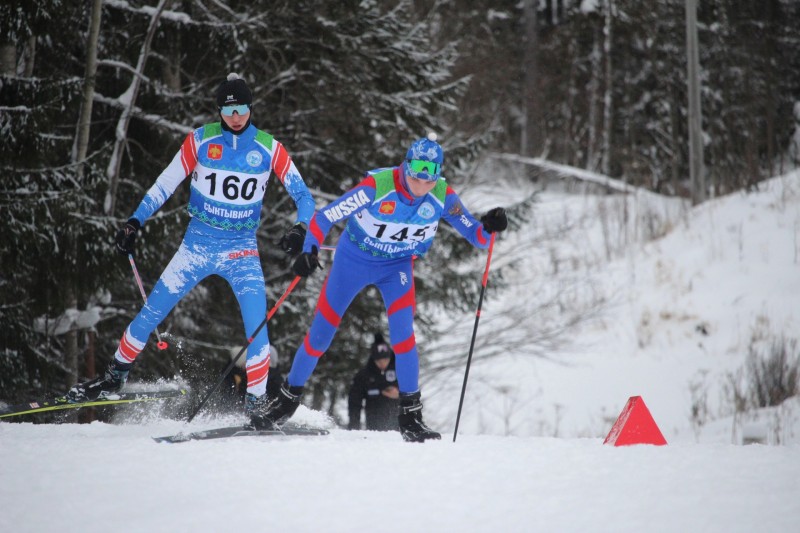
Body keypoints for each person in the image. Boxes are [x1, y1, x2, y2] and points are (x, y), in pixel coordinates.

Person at [67, 73, 315, 415]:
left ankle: (256, 401)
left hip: (241, 250)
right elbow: (165, 183)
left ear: (251, 108)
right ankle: (114, 376)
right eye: (229, 110)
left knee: (258, 330)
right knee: (152, 311)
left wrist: (301, 228)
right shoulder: (200, 140)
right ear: (219, 112)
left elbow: (304, 196)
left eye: (242, 108)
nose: (236, 117)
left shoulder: (270, 148)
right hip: (196, 246)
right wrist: (134, 221)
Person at [248, 133, 508, 442]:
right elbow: (325, 217)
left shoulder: (442, 196)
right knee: (321, 334)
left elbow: (478, 237)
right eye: (416, 174)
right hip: (352, 261)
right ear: (406, 167)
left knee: (403, 336)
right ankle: (287, 400)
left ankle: (411, 416)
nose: (422, 183)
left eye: (430, 176)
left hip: (395, 268)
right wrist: (309, 250)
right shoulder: (378, 187)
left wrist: (490, 225)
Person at [348, 332, 400, 431]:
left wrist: (399, 395)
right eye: (379, 361)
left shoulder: (400, 372)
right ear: (373, 359)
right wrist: (354, 427)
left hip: (400, 426)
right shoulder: (364, 375)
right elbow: (354, 402)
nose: (383, 363)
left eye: (385, 359)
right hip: (374, 427)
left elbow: (413, 395)